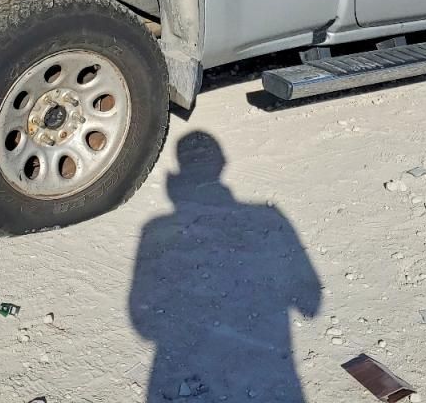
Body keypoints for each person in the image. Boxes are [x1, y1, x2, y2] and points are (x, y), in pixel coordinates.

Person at [129, 131, 321, 402]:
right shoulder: (268, 218)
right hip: (267, 375)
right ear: (222, 164)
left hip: (183, 371)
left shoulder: (156, 230)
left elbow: (143, 324)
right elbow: (310, 304)